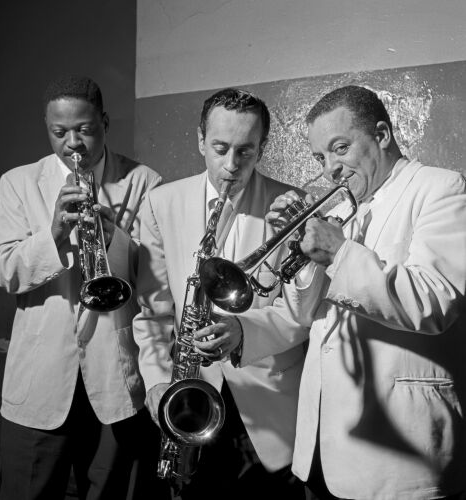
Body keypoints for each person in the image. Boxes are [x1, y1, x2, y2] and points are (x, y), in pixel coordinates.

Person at [242, 85, 466, 499]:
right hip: (324, 448)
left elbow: (435, 301)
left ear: (381, 134)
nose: (331, 168)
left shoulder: (442, 188)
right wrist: (304, 253)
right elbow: (306, 314)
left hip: (401, 452)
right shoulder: (342, 209)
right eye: (320, 157)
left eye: (340, 148)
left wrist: (340, 251)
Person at [0, 75, 168, 500]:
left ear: (104, 122)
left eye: (84, 129)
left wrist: (114, 240)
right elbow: (1, 269)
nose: (73, 144)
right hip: (40, 379)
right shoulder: (18, 183)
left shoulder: (145, 182)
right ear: (47, 128)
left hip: (117, 380)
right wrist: (51, 236)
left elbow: (155, 278)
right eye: (59, 132)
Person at [133, 88, 307, 500]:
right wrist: (158, 385)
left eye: (246, 151)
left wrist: (244, 331)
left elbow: (302, 312)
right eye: (220, 148)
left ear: (263, 147)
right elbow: (153, 313)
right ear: (199, 140)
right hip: (190, 399)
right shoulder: (161, 203)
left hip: (270, 405)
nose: (231, 166)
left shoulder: (292, 205)